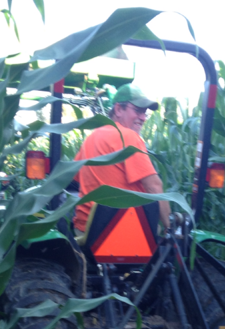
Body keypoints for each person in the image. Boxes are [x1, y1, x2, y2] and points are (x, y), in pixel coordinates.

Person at [72, 84, 171, 234]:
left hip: (84, 229)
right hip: (117, 231)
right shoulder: (128, 137)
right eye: (137, 111)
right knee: (161, 235)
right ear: (118, 109)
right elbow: (154, 187)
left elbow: (76, 179)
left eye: (145, 113)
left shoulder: (92, 138)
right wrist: (170, 228)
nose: (143, 118)